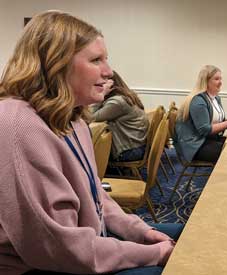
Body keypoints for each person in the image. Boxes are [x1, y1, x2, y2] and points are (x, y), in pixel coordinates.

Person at [0, 11, 183, 275]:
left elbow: (95, 195)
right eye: (96, 60)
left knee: (184, 233)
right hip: (38, 266)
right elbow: (61, 248)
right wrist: (152, 254)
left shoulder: (75, 119)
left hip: (82, 244)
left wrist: (142, 232)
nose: (109, 72)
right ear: (56, 64)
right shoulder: (18, 125)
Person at [174, 65, 227, 163]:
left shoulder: (215, 98)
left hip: (207, 139)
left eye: (220, 78)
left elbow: (218, 122)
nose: (220, 82)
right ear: (206, 81)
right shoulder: (198, 101)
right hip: (195, 146)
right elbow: (205, 129)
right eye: (216, 79)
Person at [91, 70, 149, 162]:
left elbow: (91, 117)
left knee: (91, 151)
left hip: (128, 151)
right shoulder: (125, 96)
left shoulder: (117, 102)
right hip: (137, 146)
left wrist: (100, 94)